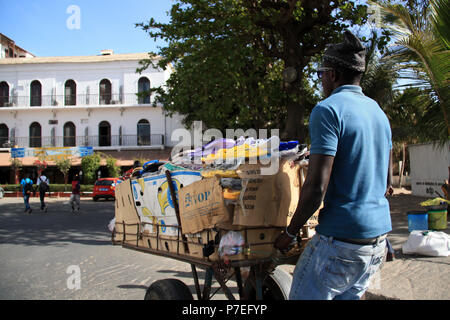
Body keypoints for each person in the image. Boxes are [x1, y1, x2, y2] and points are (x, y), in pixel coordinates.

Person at [274, 30, 392, 300]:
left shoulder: (328, 110)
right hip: (376, 241)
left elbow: (316, 187)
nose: (321, 81)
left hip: (341, 242)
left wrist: (291, 232)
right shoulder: (378, 112)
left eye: (321, 74)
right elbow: (386, 184)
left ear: (334, 75)